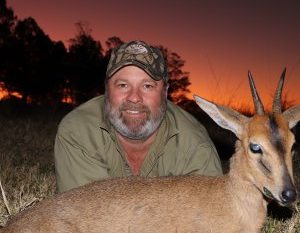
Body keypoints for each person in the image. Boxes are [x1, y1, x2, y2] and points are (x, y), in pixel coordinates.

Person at [54, 40, 222, 193]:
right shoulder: (77, 132)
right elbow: (84, 216)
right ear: (106, 90)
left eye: (147, 86)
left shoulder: (196, 147)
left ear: (165, 92)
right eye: (122, 85)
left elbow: (206, 220)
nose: (134, 97)